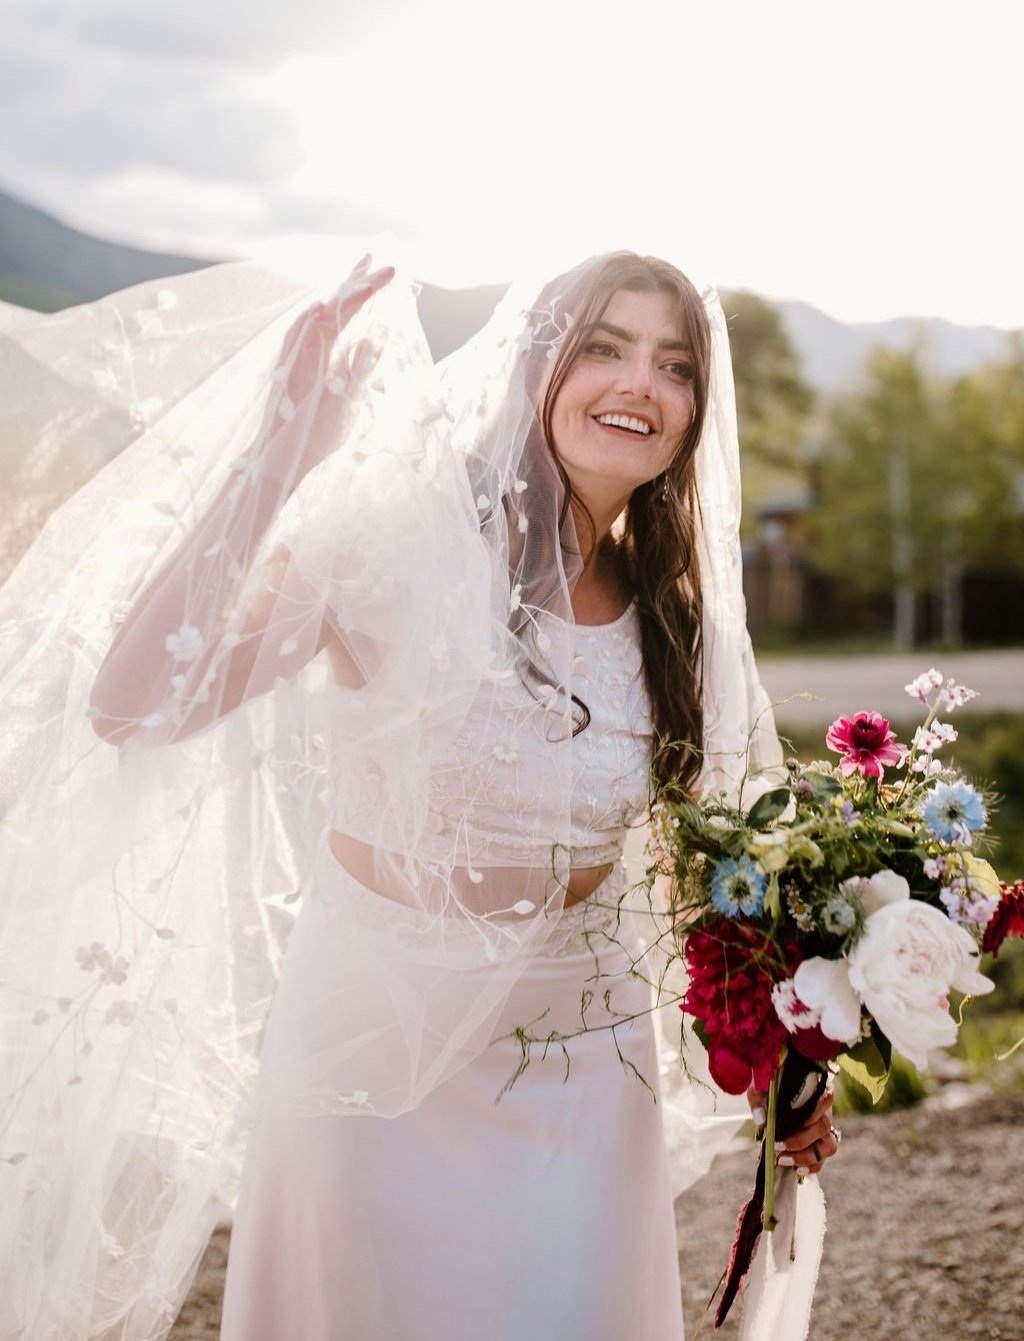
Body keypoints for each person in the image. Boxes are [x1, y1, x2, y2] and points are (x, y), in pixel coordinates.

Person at [0, 246, 836, 1340]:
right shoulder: (394, 538)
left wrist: (789, 1067)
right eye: (605, 348)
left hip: (585, 1050)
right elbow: (136, 703)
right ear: (531, 365)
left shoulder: (679, 616)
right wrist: (281, 449)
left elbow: (715, 874)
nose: (642, 383)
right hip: (372, 1054)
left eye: (674, 366)